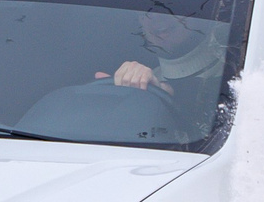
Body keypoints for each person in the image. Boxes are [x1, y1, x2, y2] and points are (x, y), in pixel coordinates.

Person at [97, 8, 226, 129]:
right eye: (144, 13)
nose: (156, 16)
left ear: (196, 13)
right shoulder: (142, 81)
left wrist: (166, 90)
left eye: (169, 6)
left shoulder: (236, 66)